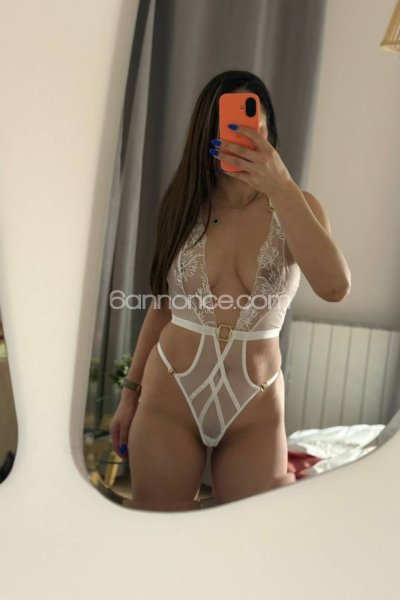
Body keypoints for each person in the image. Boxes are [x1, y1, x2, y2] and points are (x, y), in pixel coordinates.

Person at [109, 70, 351, 511]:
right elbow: (162, 306)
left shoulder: (300, 206)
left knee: (246, 535)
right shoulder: (183, 206)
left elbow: (335, 288)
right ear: (209, 131)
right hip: (170, 396)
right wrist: (130, 394)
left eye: (251, 120)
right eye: (229, 123)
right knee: (159, 530)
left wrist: (280, 185)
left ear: (268, 128)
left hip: (255, 409)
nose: (241, 133)